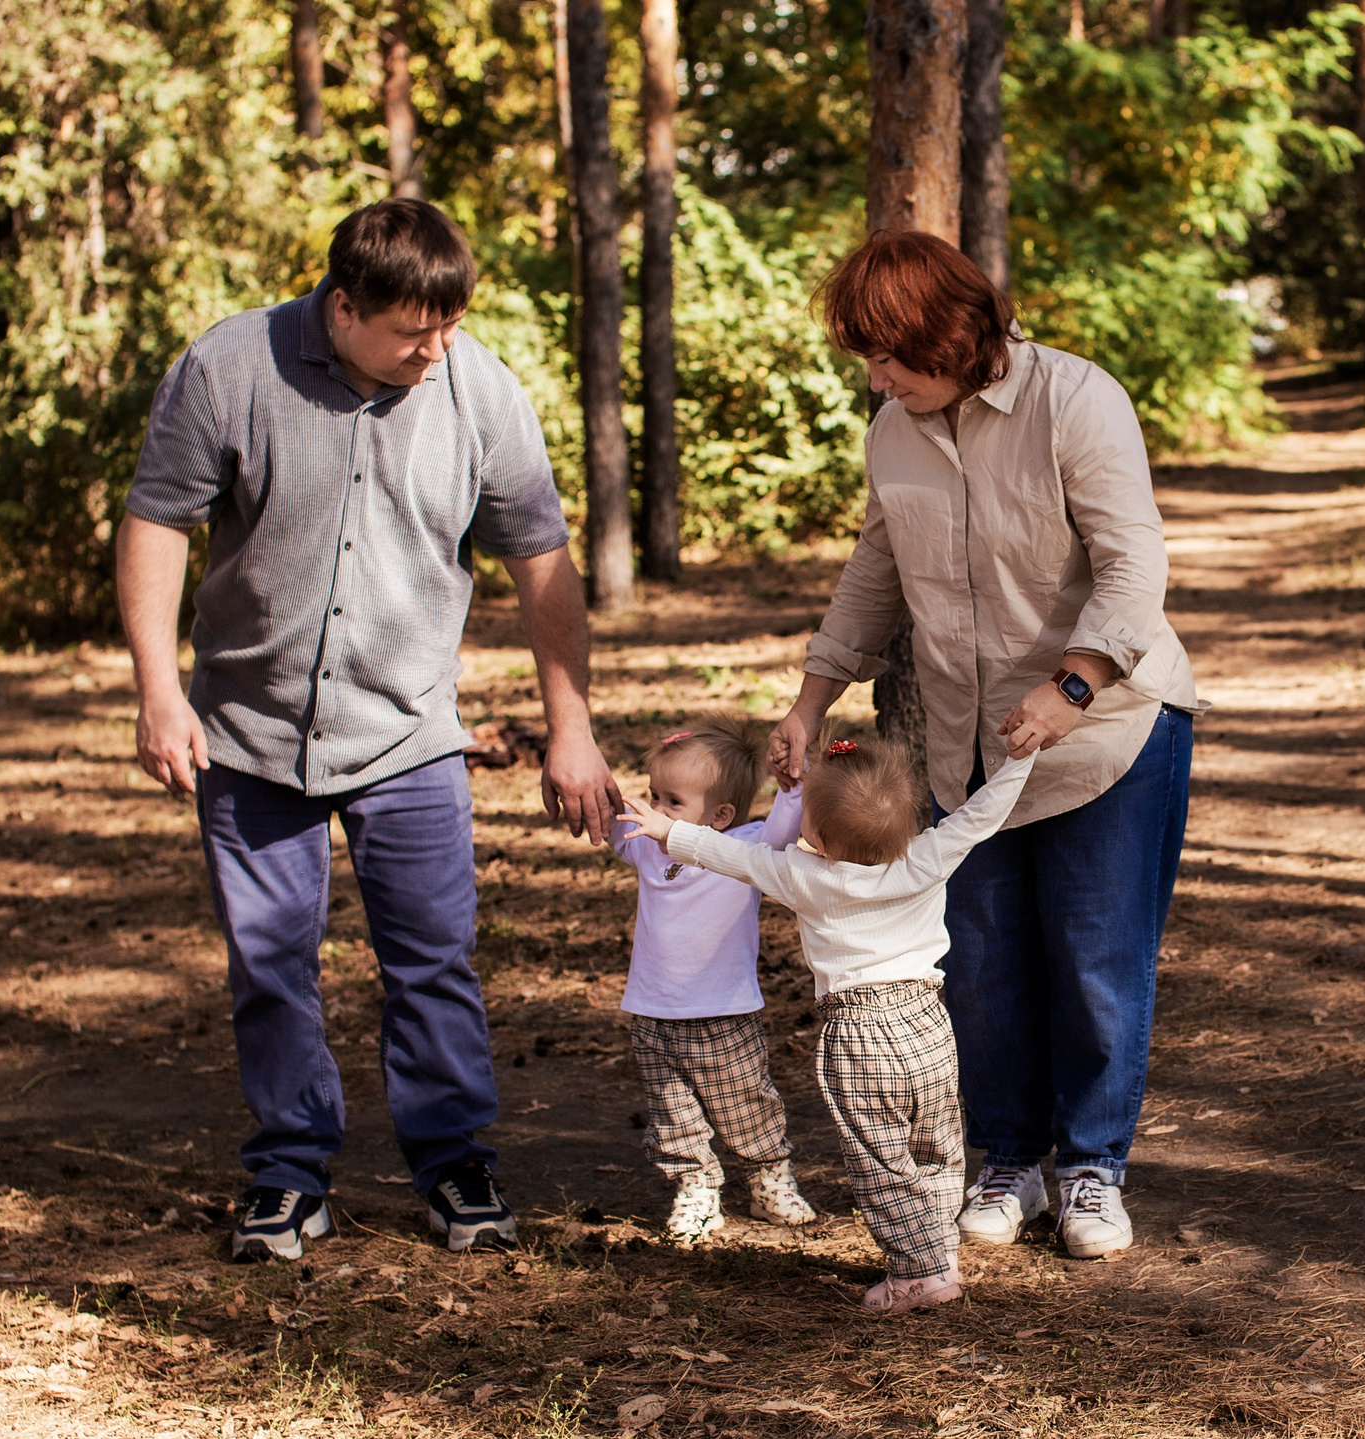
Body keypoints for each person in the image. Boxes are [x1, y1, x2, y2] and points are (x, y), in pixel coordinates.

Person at [118, 198, 622, 1264]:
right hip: (249, 731)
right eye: (411, 334)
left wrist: (569, 726)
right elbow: (157, 519)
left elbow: (542, 563)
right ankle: (289, 1173)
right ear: (342, 307)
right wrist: (159, 690)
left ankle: (455, 1163)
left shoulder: (480, 390)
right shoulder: (227, 367)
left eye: (447, 329)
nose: (434, 353)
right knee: (269, 962)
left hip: (409, 735)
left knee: (432, 959)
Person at [766, 230, 1197, 1263]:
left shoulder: (1076, 401)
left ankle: (1092, 1165)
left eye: (891, 358)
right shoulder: (894, 430)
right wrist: (811, 697)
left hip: (1105, 734)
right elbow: (876, 569)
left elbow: (1134, 563)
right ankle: (1006, 1157)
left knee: (1094, 966)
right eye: (868, 361)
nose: (876, 378)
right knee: (982, 967)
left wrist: (1073, 682)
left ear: (955, 336)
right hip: (960, 749)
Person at [620, 740, 1037, 1313]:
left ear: (817, 834)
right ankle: (938, 1251)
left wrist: (667, 832)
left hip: (860, 1036)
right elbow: (983, 812)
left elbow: (725, 855)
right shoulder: (929, 855)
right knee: (936, 1146)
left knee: (881, 1161)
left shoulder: (802, 874)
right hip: (929, 1024)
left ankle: (919, 1275)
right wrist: (1022, 758)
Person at [614, 716, 819, 1243]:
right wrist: (593, 785)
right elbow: (609, 817)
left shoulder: (742, 850)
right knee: (671, 1110)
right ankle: (696, 1187)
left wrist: (792, 784)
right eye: (653, 795)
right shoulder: (645, 845)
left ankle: (769, 1178)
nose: (656, 810)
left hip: (723, 1010)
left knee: (744, 1101)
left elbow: (783, 825)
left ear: (721, 816)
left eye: (672, 802)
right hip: (653, 1010)